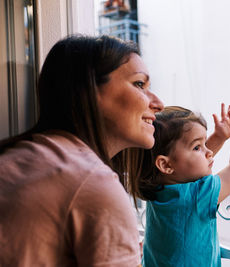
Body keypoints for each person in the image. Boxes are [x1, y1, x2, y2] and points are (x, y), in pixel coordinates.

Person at [0, 35, 164, 266]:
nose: (158, 103)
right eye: (139, 84)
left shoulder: (27, 156)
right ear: (89, 90)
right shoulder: (92, 183)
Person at [135, 104, 230, 266]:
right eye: (197, 147)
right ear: (165, 165)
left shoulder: (157, 186)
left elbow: (187, 166)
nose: (209, 152)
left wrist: (218, 137)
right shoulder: (199, 195)